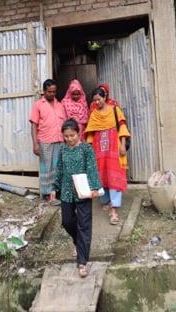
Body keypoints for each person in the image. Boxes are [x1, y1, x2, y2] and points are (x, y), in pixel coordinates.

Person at [50, 118, 102, 278]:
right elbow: (59, 169)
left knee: (84, 225)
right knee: (67, 221)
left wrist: (94, 187)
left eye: (72, 135)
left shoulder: (86, 149)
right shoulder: (63, 150)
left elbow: (92, 168)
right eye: (66, 136)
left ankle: (82, 262)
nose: (69, 139)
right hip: (66, 191)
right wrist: (54, 188)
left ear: (78, 133)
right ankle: (79, 243)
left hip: (84, 191)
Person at [84, 87, 130, 225]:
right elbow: (90, 134)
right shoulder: (94, 114)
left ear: (105, 97)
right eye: (95, 100)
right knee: (101, 176)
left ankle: (115, 209)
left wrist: (122, 145)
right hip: (99, 150)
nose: (97, 102)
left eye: (99, 99)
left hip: (114, 147)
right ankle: (106, 200)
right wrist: (89, 150)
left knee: (114, 175)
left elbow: (122, 127)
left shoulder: (115, 110)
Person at [29, 79, 67, 205]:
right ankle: (47, 195)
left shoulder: (60, 105)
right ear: (44, 91)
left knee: (58, 168)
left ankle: (56, 193)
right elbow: (34, 125)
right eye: (49, 91)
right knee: (47, 169)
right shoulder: (38, 105)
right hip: (45, 141)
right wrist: (35, 144)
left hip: (60, 141)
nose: (52, 94)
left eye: (54, 92)